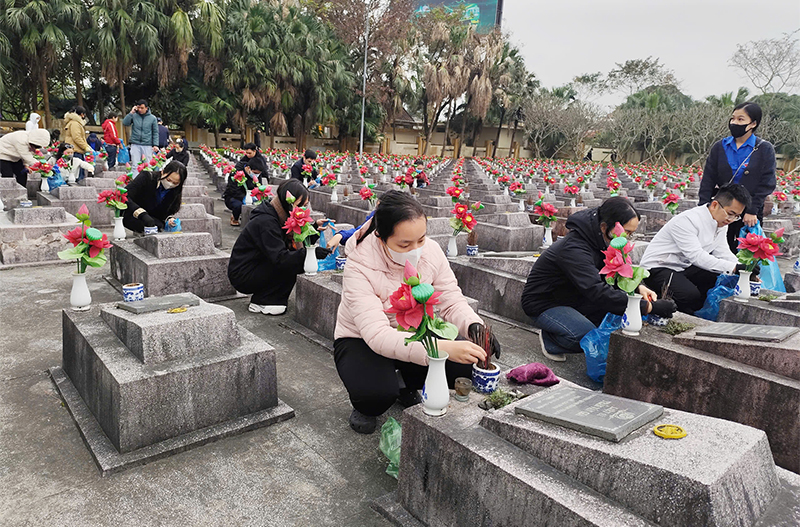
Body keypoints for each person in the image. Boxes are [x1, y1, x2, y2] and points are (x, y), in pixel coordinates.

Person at [333, 191, 500, 434]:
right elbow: (378, 335)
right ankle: (367, 404)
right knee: (376, 394)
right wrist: (441, 348)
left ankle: (406, 385)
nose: (416, 250)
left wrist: (473, 325)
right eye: (404, 244)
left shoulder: (430, 251)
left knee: (464, 367)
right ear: (381, 237)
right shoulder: (359, 265)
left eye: (421, 239)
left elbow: (450, 298)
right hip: (362, 338)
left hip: (414, 331)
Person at [521, 197, 676, 362]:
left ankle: (570, 322)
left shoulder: (601, 240)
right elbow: (596, 290)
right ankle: (551, 340)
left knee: (609, 320)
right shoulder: (575, 249)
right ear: (604, 227)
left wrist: (639, 287)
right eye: (627, 232)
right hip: (545, 302)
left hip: (574, 296)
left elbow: (614, 273)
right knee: (588, 336)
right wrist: (649, 307)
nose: (628, 239)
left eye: (631, 233)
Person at [641, 184, 754, 314]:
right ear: (715, 205)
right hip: (658, 268)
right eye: (730, 214)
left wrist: (744, 268)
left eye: (736, 216)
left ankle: (694, 310)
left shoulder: (721, 222)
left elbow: (722, 252)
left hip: (684, 266)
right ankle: (671, 307)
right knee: (690, 295)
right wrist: (734, 268)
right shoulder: (689, 220)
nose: (732, 219)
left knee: (717, 277)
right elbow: (697, 256)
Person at [227, 179, 332, 315]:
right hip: (244, 273)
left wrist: (315, 228)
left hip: (258, 264)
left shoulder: (278, 214)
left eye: (305, 205)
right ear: (287, 202)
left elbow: (293, 241)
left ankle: (268, 298)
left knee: (295, 257)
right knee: (293, 261)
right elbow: (281, 258)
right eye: (300, 205)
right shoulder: (266, 222)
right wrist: (310, 253)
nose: (302, 210)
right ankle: (263, 300)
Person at [699, 101, 776, 253]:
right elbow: (708, 178)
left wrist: (752, 210)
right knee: (714, 249)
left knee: (745, 253)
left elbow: (767, 183)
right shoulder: (720, 147)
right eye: (733, 118)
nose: (734, 123)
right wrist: (704, 207)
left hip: (749, 211)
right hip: (721, 208)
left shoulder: (764, 149)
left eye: (741, 119)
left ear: (753, 123)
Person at [123, 160, 188, 233]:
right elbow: (125, 196)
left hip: (153, 220)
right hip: (133, 214)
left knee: (159, 226)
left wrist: (169, 219)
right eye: (168, 180)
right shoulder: (147, 177)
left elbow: (168, 212)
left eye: (175, 183)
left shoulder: (175, 190)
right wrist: (141, 214)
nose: (170, 184)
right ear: (163, 172)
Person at [224, 156, 267, 226]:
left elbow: (258, 186)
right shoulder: (236, 173)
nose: (256, 175)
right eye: (255, 172)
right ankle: (235, 218)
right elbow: (233, 189)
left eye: (258, 173)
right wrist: (245, 197)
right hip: (235, 196)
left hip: (251, 196)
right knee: (237, 205)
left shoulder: (257, 176)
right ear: (248, 168)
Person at [122, 99, 159, 167]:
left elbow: (155, 132)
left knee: (148, 164)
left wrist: (155, 144)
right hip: (135, 143)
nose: (140, 109)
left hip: (147, 144)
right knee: (135, 164)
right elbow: (125, 123)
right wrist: (131, 112)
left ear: (146, 108)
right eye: (138, 108)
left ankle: (147, 177)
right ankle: (135, 177)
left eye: (142, 108)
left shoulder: (152, 118)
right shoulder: (134, 116)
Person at [62, 106, 91, 181]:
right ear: (82, 114)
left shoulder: (74, 122)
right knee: (76, 174)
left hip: (75, 149)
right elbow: (77, 137)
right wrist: (85, 147)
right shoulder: (75, 123)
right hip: (75, 150)